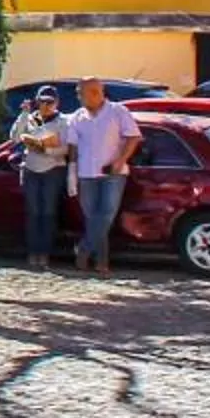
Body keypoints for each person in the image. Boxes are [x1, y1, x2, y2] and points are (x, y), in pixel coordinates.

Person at [65, 78, 143, 275]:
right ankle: (101, 262)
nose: (78, 97)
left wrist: (120, 160)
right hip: (86, 173)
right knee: (93, 218)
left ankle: (83, 249)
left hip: (112, 173)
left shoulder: (118, 111)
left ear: (95, 92)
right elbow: (73, 146)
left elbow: (133, 137)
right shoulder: (77, 117)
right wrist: (72, 172)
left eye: (80, 93)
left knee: (106, 214)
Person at [8, 87, 70, 267]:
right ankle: (33, 252)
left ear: (56, 103)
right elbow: (15, 138)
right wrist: (23, 114)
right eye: (42, 101)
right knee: (33, 213)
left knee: (48, 212)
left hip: (53, 169)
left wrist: (46, 149)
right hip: (31, 169)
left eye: (49, 102)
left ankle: (45, 253)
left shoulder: (62, 121)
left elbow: (67, 148)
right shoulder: (31, 118)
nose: (45, 105)